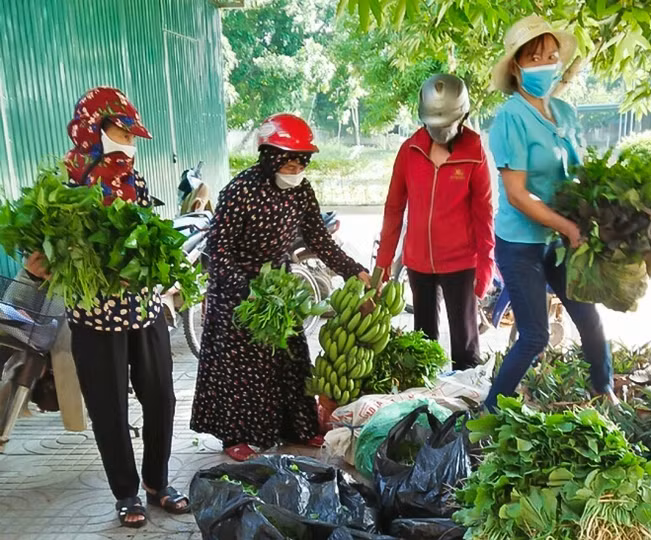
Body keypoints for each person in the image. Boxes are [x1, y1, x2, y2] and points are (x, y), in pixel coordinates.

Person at [25, 87, 189, 528]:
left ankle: (157, 482)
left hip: (144, 309)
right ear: (94, 129)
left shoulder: (135, 178)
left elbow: (148, 233)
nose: (130, 142)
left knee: (161, 399)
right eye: (122, 131)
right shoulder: (63, 186)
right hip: (94, 315)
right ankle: (126, 493)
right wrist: (40, 265)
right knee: (109, 406)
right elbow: (42, 254)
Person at [190, 113, 370, 462]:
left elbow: (321, 240)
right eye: (288, 160)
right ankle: (236, 435)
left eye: (301, 160)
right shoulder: (240, 191)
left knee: (290, 360)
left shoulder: (301, 191)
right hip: (239, 292)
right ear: (269, 157)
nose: (295, 168)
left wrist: (354, 271)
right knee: (243, 366)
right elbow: (220, 251)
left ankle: (297, 428)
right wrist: (247, 290)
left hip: (281, 289)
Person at [482, 15, 619, 410]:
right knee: (535, 336)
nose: (545, 63)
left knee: (588, 317)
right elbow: (518, 195)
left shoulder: (564, 113)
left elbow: (580, 174)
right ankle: (489, 413)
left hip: (558, 241)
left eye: (551, 56)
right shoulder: (510, 117)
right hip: (521, 245)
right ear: (517, 67)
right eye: (535, 57)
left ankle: (603, 388)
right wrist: (567, 226)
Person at [374, 74, 495, 371]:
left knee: (465, 348)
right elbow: (393, 209)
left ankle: (467, 407)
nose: (440, 132)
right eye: (433, 125)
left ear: (463, 116)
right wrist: (383, 265)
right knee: (422, 346)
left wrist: (485, 269)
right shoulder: (410, 150)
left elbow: (485, 214)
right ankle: (425, 409)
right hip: (417, 263)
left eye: (447, 125)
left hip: (460, 264)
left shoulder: (474, 152)